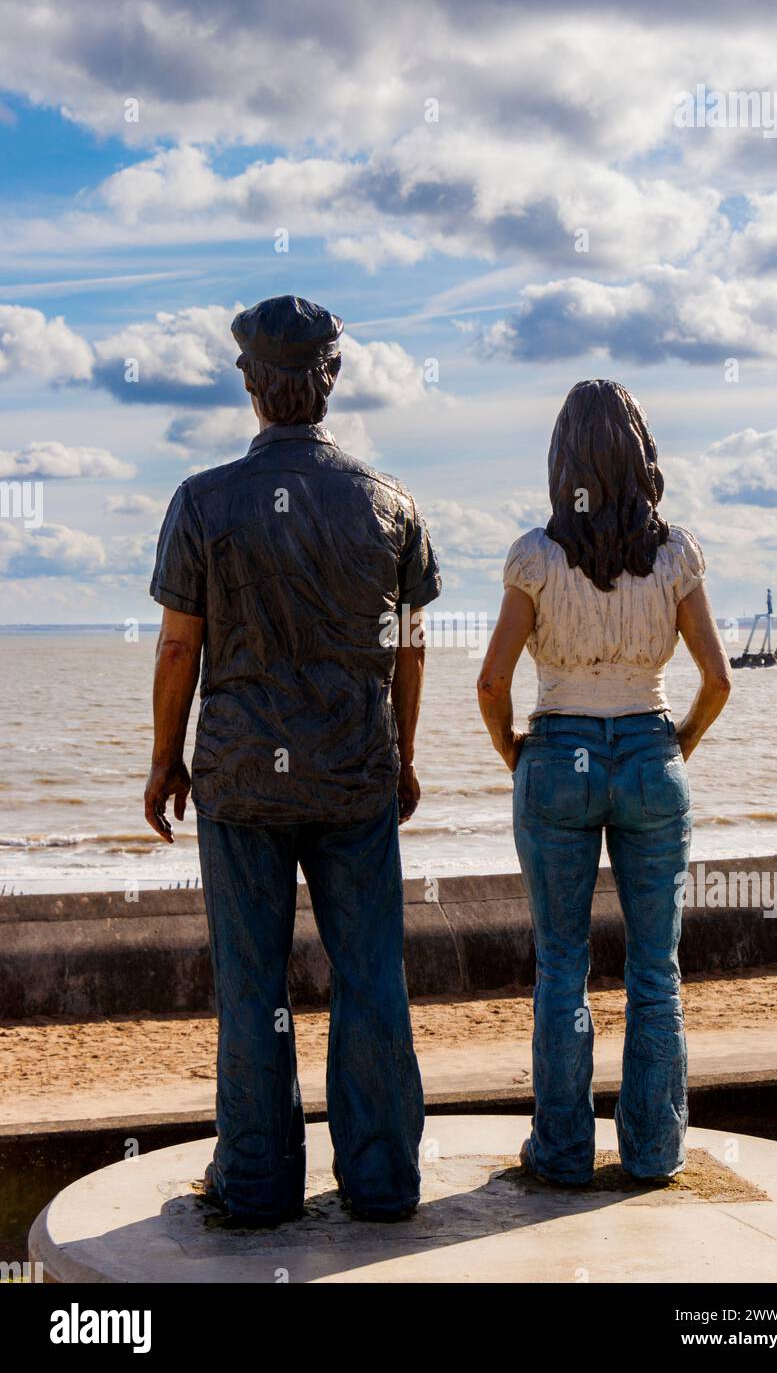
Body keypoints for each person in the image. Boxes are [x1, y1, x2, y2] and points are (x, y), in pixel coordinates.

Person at [145, 295, 441, 1224]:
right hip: (354, 773)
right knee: (371, 980)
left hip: (238, 780)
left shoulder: (202, 500)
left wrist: (164, 759)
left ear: (248, 384)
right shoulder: (389, 504)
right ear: (333, 377)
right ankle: (384, 1180)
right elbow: (412, 647)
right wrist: (402, 757)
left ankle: (258, 1182)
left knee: (250, 983)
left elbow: (179, 649)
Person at [477, 379, 730, 1184]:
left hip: (558, 754)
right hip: (650, 753)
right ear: (642, 458)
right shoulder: (677, 555)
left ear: (565, 463)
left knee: (561, 965)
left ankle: (561, 1153)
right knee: (657, 971)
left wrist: (515, 751)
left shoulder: (537, 556)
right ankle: (654, 1152)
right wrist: (676, 744)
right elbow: (718, 678)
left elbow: (490, 683)